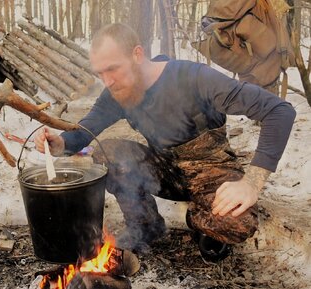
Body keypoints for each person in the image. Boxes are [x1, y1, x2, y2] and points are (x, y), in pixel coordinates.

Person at [33, 23, 296, 262]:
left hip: (212, 175)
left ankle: (201, 222)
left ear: (137, 54)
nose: (107, 81)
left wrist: (252, 182)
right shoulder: (117, 92)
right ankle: (146, 226)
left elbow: (279, 111)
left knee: (236, 223)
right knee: (109, 152)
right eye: (100, 73)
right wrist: (59, 143)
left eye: (112, 68)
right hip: (164, 172)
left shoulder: (194, 77)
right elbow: (84, 131)